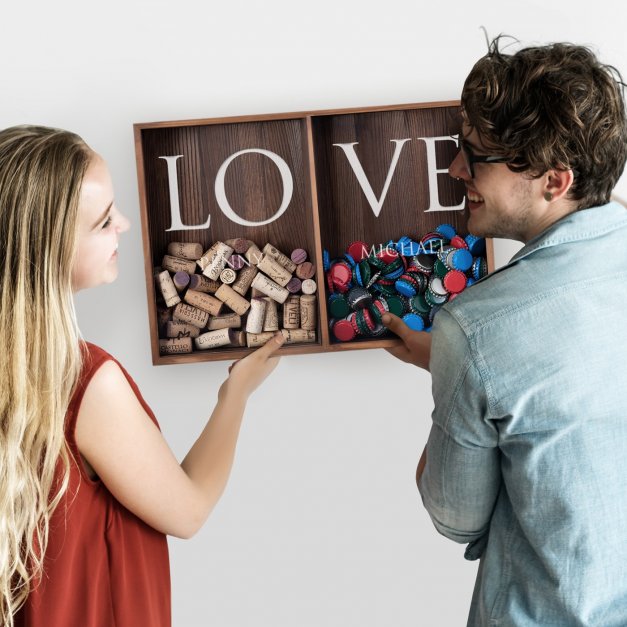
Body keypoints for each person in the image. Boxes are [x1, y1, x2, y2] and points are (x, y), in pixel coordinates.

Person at [383, 38, 627, 626]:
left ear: (554, 179)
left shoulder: (475, 328)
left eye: (475, 155)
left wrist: (454, 367)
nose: (455, 169)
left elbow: (455, 517)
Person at [0, 124, 285, 627]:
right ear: (49, 248)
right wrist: (235, 393)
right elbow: (188, 510)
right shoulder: (85, 382)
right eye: (104, 221)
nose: (125, 226)